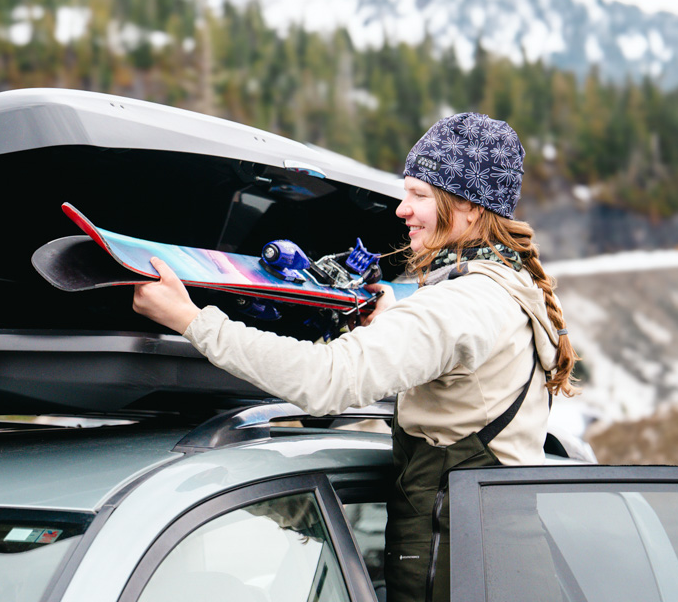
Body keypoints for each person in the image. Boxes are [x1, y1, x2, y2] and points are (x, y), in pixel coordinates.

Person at [133, 112, 578, 602]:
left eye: (419, 195)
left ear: (469, 207)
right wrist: (394, 319)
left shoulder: (461, 304)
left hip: (461, 576)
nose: (401, 209)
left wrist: (192, 321)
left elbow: (327, 381)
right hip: (503, 565)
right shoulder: (504, 291)